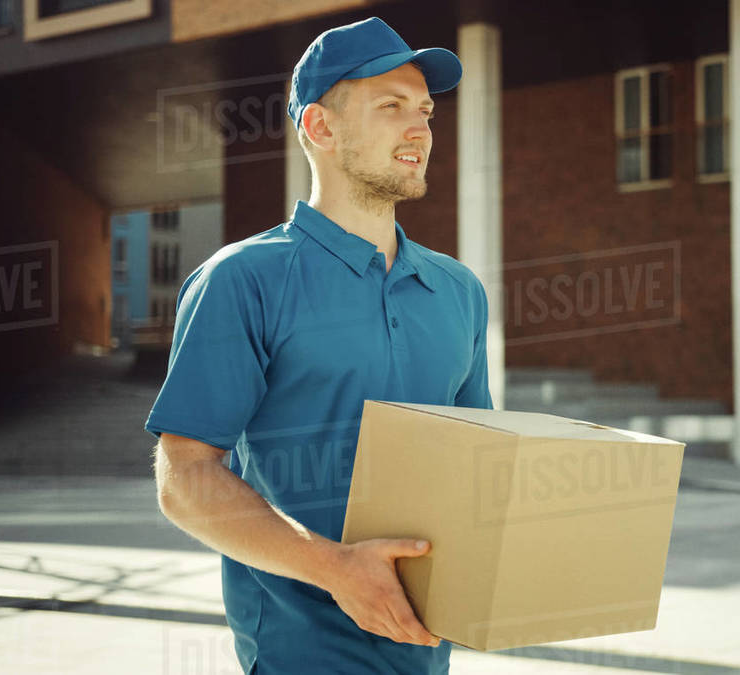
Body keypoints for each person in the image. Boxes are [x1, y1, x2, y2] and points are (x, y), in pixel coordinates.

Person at [145, 17, 491, 674]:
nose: (420, 128)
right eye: (391, 107)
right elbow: (185, 479)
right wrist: (337, 569)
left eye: (425, 111)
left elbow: (477, 467)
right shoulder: (241, 281)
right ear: (320, 128)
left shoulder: (459, 291)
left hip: (426, 656)